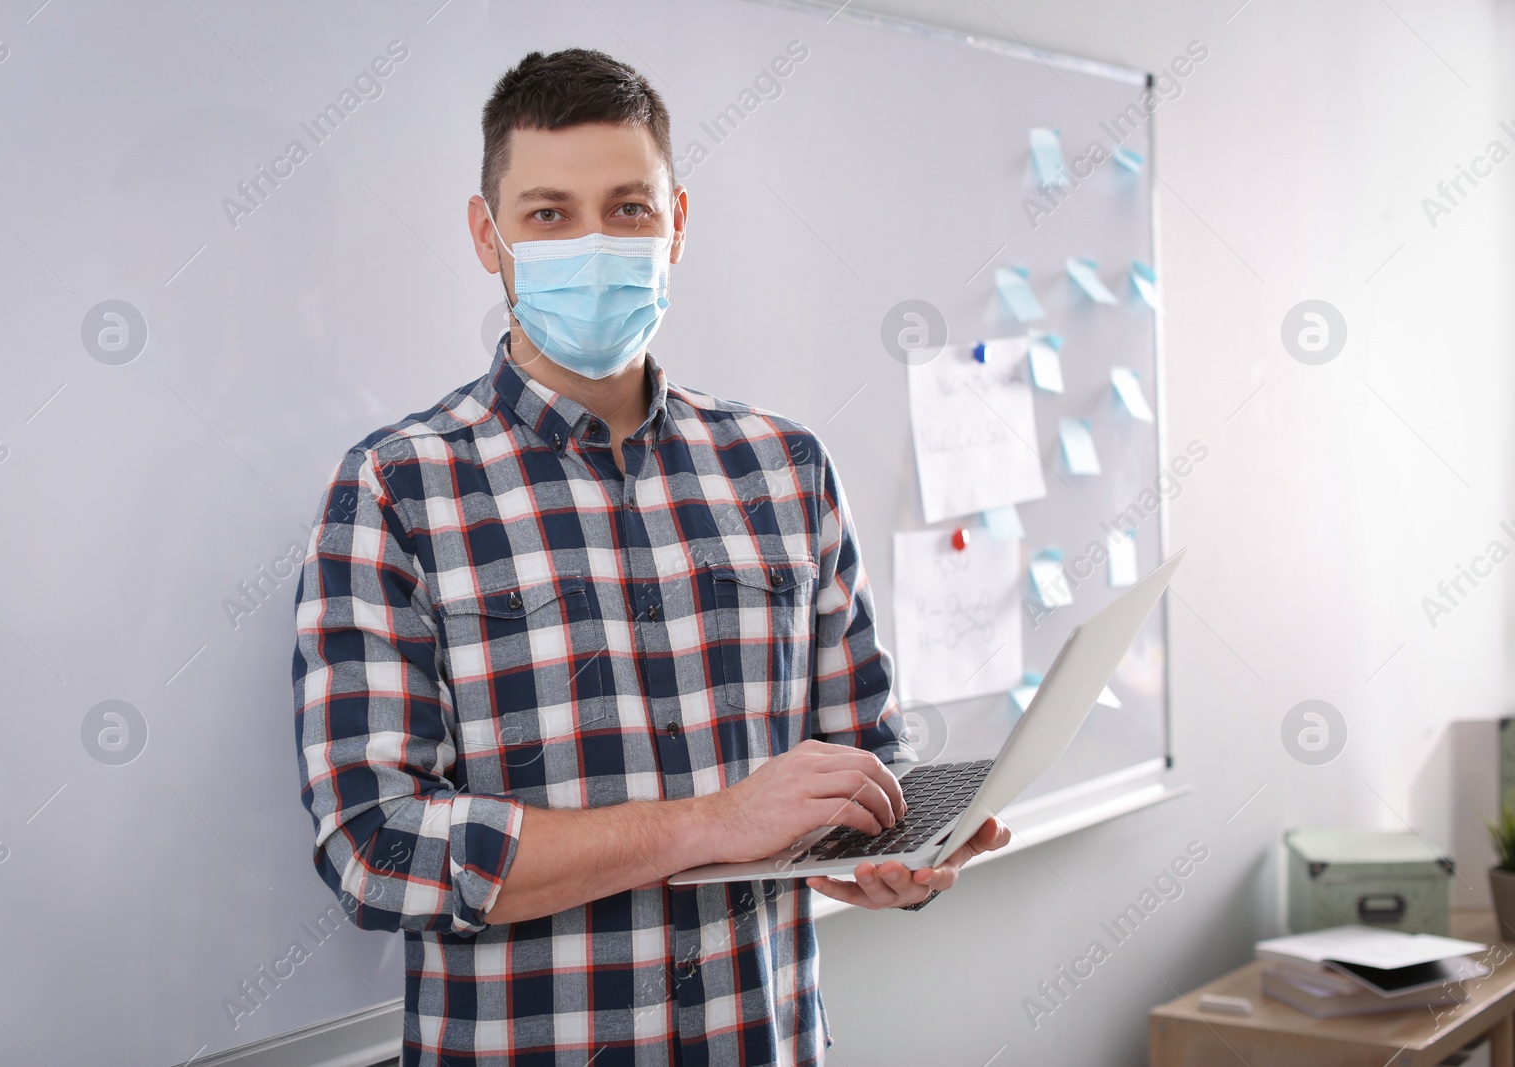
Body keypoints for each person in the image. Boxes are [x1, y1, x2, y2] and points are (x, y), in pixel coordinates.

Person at [291, 47, 1010, 1067]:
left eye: (628, 207)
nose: (594, 240)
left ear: (676, 223)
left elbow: (860, 753)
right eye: (548, 213)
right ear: (486, 236)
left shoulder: (784, 466)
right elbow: (377, 849)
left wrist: (881, 847)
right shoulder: (394, 492)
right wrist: (710, 822)